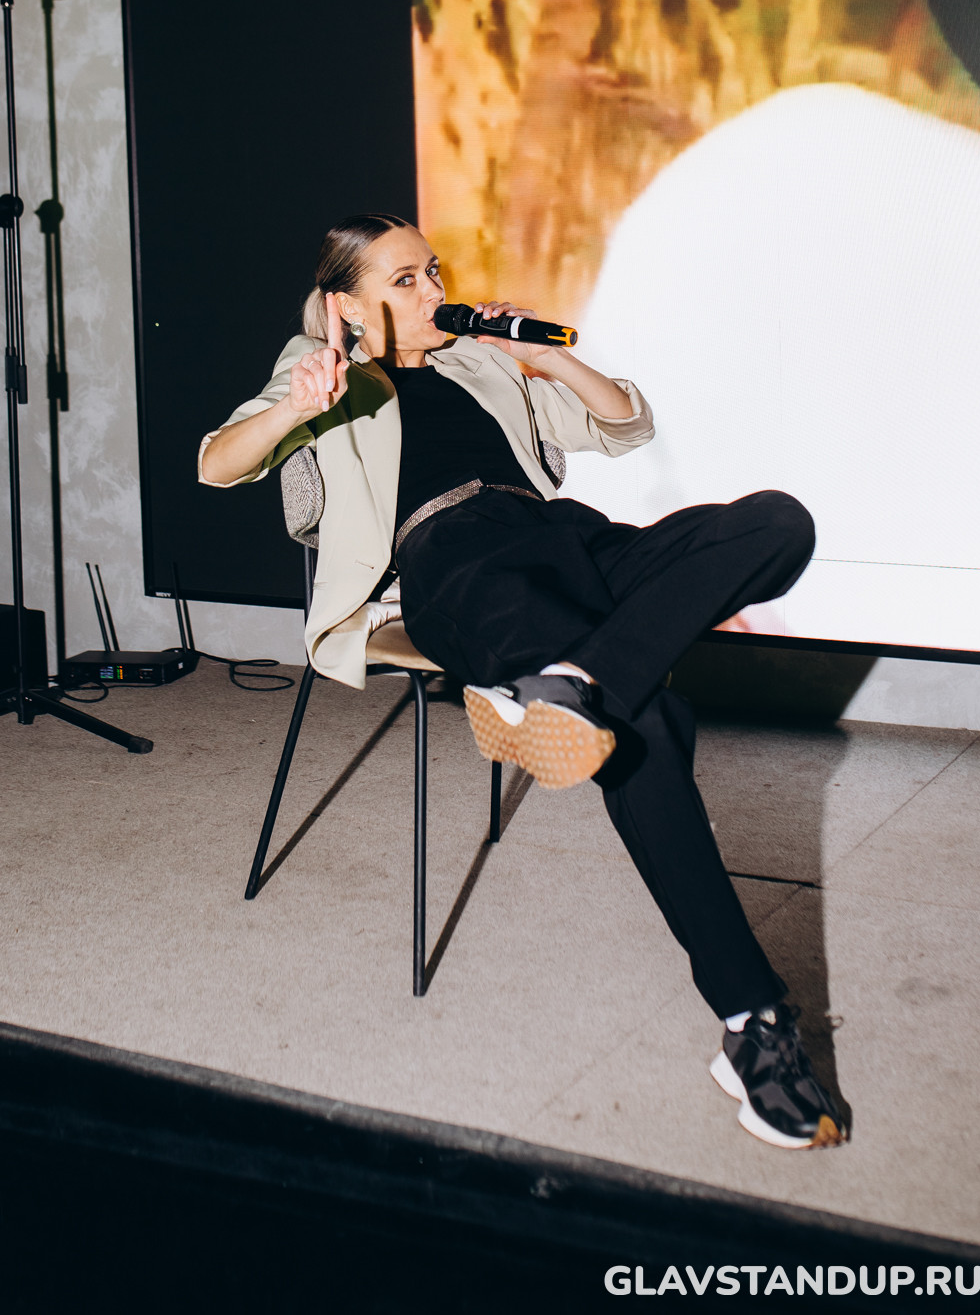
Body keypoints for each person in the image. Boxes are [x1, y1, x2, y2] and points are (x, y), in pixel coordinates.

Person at [199, 212, 846, 1150]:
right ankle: (754, 1018)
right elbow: (217, 463)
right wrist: (297, 407)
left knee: (775, 525)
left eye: (433, 272)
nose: (434, 291)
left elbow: (625, 424)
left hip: (568, 539)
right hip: (450, 557)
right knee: (648, 726)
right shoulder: (325, 369)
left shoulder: (479, 362)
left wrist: (545, 359)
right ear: (348, 304)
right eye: (406, 280)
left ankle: (575, 681)